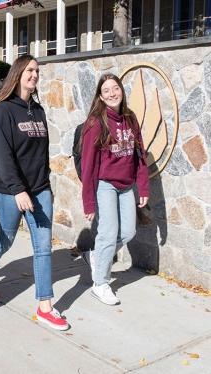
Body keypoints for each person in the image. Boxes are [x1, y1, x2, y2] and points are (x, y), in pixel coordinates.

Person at [0, 54, 69, 331]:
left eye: (37, 71)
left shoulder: (38, 111)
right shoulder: (4, 111)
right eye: (29, 70)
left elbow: (40, 155)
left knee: (43, 246)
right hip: (8, 190)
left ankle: (45, 306)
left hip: (39, 190)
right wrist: (18, 190)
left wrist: (45, 187)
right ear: (17, 74)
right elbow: (4, 157)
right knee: (5, 241)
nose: (34, 75)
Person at [81, 73, 149, 305]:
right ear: (100, 96)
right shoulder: (95, 123)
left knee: (128, 232)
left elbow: (139, 156)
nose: (112, 93)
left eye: (115, 88)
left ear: (121, 90)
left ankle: (97, 256)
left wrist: (144, 186)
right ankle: (100, 283)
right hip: (105, 185)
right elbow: (88, 165)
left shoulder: (130, 118)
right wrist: (88, 201)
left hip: (126, 185)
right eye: (106, 90)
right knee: (108, 233)